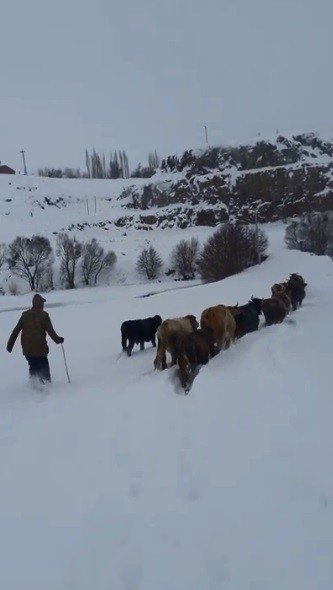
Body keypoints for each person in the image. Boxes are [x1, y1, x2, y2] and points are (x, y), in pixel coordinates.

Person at [6, 293, 64, 385]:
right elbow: (51, 332)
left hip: (27, 349)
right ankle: (47, 387)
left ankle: (34, 385)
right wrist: (59, 340)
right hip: (40, 349)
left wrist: (9, 346)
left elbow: (15, 331)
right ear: (41, 304)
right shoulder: (44, 315)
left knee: (33, 366)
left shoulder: (25, 315)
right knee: (44, 369)